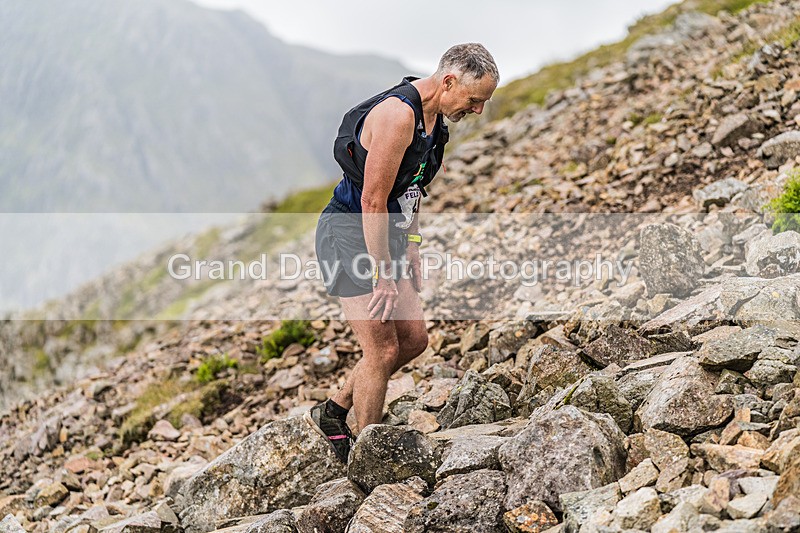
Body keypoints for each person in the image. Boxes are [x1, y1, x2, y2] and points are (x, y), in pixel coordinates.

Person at [305, 43, 499, 463]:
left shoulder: (435, 122)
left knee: (413, 340)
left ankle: (335, 410)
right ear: (448, 81)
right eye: (474, 100)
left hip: (386, 234)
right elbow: (372, 200)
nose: (478, 111)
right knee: (381, 350)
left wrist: (411, 246)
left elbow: (412, 190)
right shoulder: (397, 117)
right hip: (349, 233)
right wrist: (383, 275)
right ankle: (368, 457)